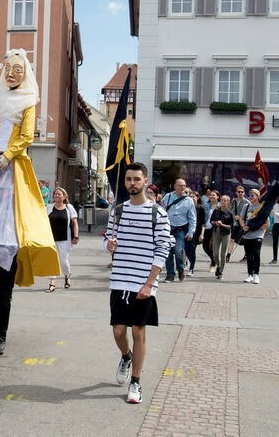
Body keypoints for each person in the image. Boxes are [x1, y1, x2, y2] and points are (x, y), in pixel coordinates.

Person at [0, 48, 60, 356]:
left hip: (14, 165)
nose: (12, 74)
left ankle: (1, 329)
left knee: (20, 209)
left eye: (18, 70)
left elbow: (27, 135)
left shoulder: (29, 101)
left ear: (25, 73)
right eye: (8, 70)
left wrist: (9, 155)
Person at [104, 162, 174, 405]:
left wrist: (149, 283)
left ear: (145, 181)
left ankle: (136, 381)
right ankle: (126, 356)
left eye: (136, 179)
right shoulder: (117, 211)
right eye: (128, 179)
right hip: (120, 280)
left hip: (143, 282)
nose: (132, 183)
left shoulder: (158, 213)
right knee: (118, 331)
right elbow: (108, 241)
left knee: (137, 330)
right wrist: (109, 245)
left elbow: (163, 249)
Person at [46, 186, 79, 292]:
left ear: (64, 197)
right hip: (51, 239)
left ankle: (67, 275)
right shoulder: (49, 207)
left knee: (63, 261)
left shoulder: (69, 208)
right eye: (55, 194)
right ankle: (52, 283)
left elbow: (74, 223)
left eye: (59, 194)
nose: (56, 195)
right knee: (52, 260)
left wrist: (76, 236)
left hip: (65, 239)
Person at [161, 179, 195, 282]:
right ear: (175, 186)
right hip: (167, 228)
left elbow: (192, 217)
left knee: (178, 251)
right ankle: (170, 274)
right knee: (168, 252)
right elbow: (161, 211)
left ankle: (180, 269)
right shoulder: (168, 197)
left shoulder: (189, 200)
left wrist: (191, 232)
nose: (182, 187)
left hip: (180, 229)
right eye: (180, 185)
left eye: (184, 185)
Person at [239, 189, 265, 284]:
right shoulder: (246, 206)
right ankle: (250, 274)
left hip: (258, 234)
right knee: (249, 255)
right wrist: (243, 226)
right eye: (249, 195)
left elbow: (267, 223)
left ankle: (256, 274)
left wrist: (255, 227)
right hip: (247, 235)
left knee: (256, 253)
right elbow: (241, 218)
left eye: (252, 195)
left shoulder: (262, 207)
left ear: (258, 196)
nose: (250, 197)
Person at [210, 195, 233, 280]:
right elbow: (211, 221)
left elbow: (231, 226)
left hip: (225, 234)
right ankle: (219, 266)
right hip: (216, 233)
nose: (223, 202)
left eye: (225, 200)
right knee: (215, 254)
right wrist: (216, 222)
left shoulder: (230, 213)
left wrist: (222, 225)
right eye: (222, 200)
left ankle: (221, 271)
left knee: (223, 254)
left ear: (228, 202)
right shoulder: (216, 211)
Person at [227, 185, 249, 262]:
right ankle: (228, 255)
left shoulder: (247, 202)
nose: (240, 193)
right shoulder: (233, 201)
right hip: (235, 223)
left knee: (244, 240)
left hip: (243, 224)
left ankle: (246, 255)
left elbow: (249, 213)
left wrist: (241, 218)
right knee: (232, 239)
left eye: (242, 192)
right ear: (236, 192)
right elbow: (230, 211)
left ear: (244, 193)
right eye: (239, 192)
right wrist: (233, 216)